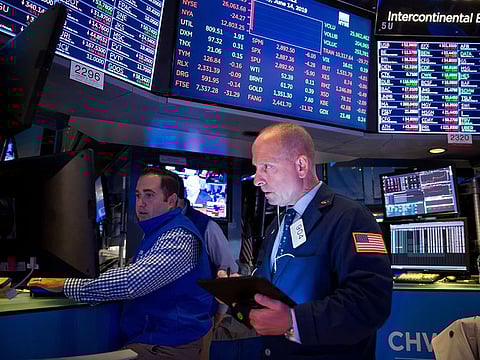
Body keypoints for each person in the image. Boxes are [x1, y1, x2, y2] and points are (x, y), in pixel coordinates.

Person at [29, 168, 213, 360]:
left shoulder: (179, 236)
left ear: (172, 201)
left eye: (149, 196)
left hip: (168, 344)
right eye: (138, 195)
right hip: (152, 338)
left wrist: (65, 284)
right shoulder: (157, 230)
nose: (140, 203)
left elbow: (132, 281)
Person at [248, 123, 392, 359]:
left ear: (301, 165)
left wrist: (294, 321)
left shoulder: (350, 217)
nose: (257, 180)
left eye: (267, 167)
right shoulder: (278, 225)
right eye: (256, 168)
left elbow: (371, 302)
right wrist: (241, 292)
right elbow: (273, 291)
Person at [174, 172, 239, 360]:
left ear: (172, 198)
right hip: (165, 320)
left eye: (150, 195)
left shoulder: (207, 226)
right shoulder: (157, 226)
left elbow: (228, 270)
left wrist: (219, 313)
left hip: (199, 319)